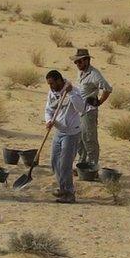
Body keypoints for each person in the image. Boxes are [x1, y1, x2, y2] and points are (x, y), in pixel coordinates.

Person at [44, 70, 86, 204]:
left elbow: (81, 108)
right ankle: (63, 188)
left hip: (71, 133)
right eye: (49, 84)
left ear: (59, 80)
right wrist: (48, 121)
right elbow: (48, 110)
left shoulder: (74, 91)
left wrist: (71, 92)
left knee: (65, 164)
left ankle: (69, 193)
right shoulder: (52, 93)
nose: (50, 86)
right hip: (58, 130)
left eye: (52, 83)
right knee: (54, 161)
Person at [71, 48, 113, 170]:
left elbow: (107, 89)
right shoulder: (80, 72)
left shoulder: (94, 74)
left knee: (89, 138)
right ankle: (82, 162)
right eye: (76, 62)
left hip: (89, 111)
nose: (77, 64)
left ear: (87, 60)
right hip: (78, 110)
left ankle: (92, 165)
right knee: (79, 139)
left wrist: (99, 102)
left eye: (79, 62)